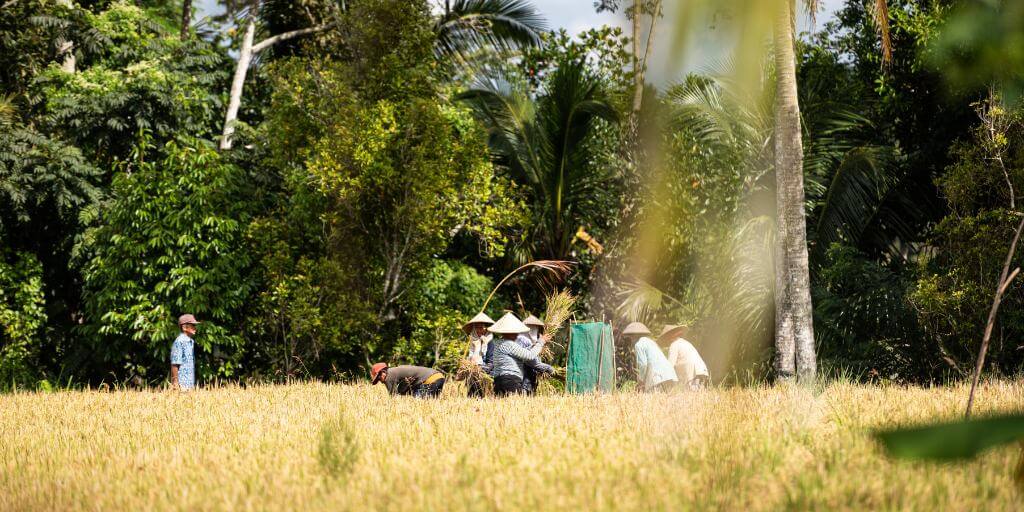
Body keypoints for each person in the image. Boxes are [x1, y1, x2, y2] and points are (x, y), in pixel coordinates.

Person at [487, 312, 554, 397]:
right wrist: (541, 341)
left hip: (498, 381)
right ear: (508, 332)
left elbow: (521, 352)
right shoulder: (509, 344)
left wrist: (534, 345)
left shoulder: (498, 343)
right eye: (515, 332)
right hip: (510, 381)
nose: (517, 334)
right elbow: (529, 356)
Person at [622, 321, 677, 392]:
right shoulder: (651, 342)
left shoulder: (639, 345)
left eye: (630, 337)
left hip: (657, 377)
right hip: (669, 375)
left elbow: (643, 364)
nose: (630, 340)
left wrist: (641, 381)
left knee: (656, 400)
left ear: (634, 336)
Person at [659, 324, 710, 390]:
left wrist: (662, 381)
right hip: (702, 370)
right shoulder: (686, 343)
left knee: (692, 395)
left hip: (692, 373)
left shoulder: (674, 345)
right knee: (698, 395)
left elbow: (670, 366)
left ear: (670, 337)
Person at [370, 363, 446, 398]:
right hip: (439, 377)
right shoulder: (395, 371)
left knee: (418, 403)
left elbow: (394, 398)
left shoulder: (389, 376)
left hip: (430, 380)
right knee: (432, 403)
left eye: (379, 378)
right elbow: (402, 392)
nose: (381, 381)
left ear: (383, 373)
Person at [518, 314, 548, 395]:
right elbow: (530, 359)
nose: (534, 330)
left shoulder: (537, 341)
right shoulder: (522, 340)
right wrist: (548, 368)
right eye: (531, 327)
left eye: (535, 328)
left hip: (531, 376)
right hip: (524, 377)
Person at [170, 314, 199, 390]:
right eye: (192, 325)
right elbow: (175, 364)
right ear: (184, 327)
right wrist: (175, 383)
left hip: (189, 384)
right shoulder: (180, 341)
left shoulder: (191, 342)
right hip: (181, 385)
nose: (195, 328)